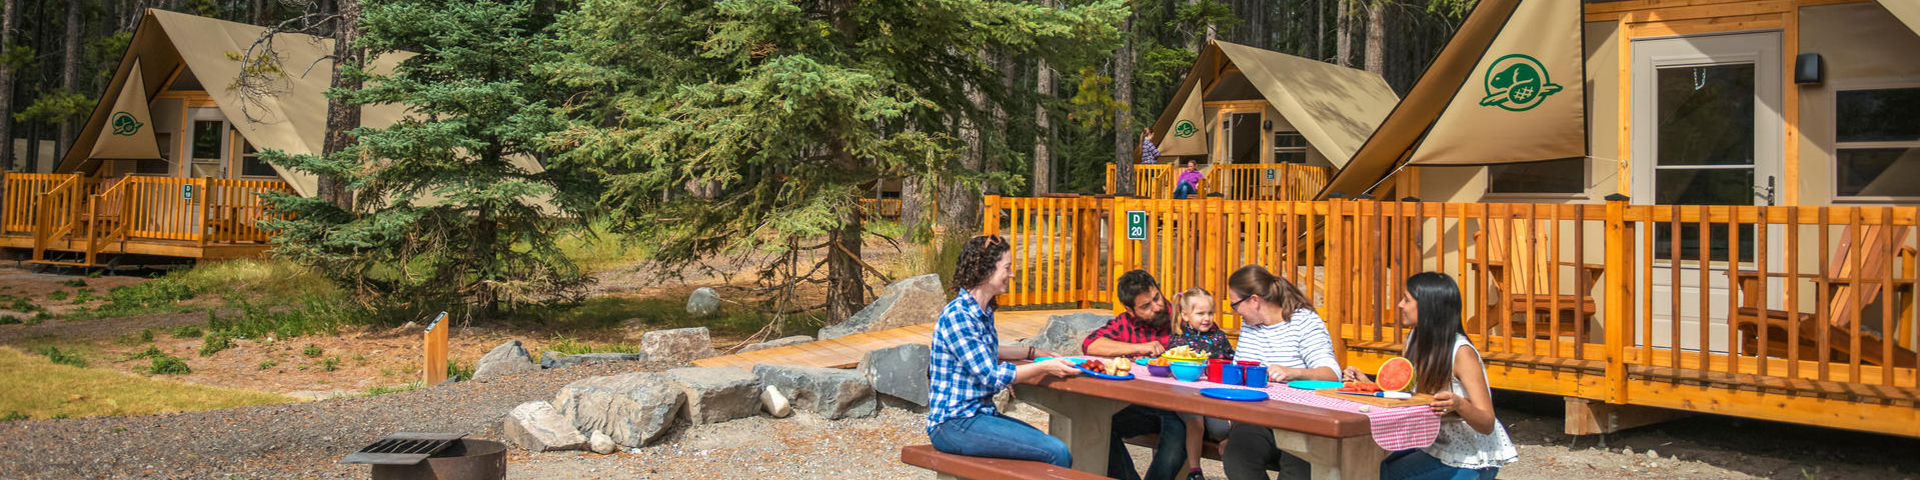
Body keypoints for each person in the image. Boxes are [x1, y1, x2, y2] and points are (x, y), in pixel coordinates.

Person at [927, 235, 1083, 467]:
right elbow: (990, 376)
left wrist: (1032, 353)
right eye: (1007, 268)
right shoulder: (958, 315)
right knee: (1056, 451)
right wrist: (1044, 367)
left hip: (977, 416)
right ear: (986, 270)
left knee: (1053, 447)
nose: (1012, 274)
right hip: (954, 423)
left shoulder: (981, 310)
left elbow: (983, 350)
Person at [1343, 273, 1517, 480]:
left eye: (1407, 299)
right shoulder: (1414, 339)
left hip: (1469, 457)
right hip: (1431, 443)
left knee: (1383, 475)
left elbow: (1487, 423)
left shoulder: (1461, 353)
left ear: (1428, 306)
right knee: (1365, 465)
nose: (1400, 305)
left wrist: (1459, 404)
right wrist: (1368, 385)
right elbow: (1410, 397)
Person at [1219, 265, 1341, 480]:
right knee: (1237, 456)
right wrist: (1232, 432)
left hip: (1302, 420)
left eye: (1235, 304)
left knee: (1298, 467)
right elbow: (1239, 383)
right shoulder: (1250, 327)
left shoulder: (1304, 322)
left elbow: (1332, 375)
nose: (1234, 311)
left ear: (1254, 301)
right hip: (1258, 418)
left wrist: (1294, 372)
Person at [1082, 269, 1187, 480]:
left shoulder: (1184, 313)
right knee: (1097, 423)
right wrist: (1137, 346)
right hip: (1143, 404)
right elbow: (1091, 344)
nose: (1157, 307)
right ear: (1130, 310)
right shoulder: (1125, 323)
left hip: (1182, 405)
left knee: (1178, 431)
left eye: (1156, 297)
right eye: (1146, 306)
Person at [1169, 288, 1232, 480]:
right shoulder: (1178, 339)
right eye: (1201, 313)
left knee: (1221, 429)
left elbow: (1230, 359)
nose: (1207, 318)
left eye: (1210, 313)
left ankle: (1230, 441)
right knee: (1195, 422)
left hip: (1212, 394)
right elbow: (1172, 365)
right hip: (1186, 395)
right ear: (1186, 315)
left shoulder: (1219, 337)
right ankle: (1195, 471)